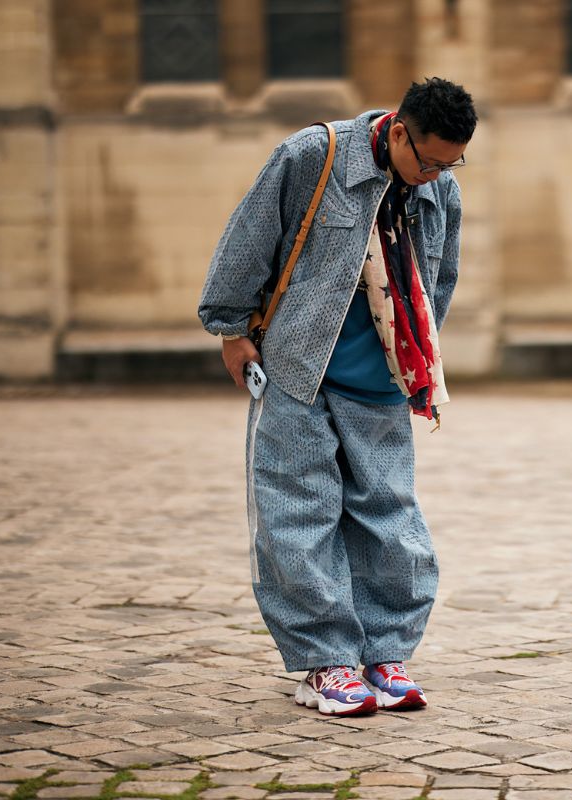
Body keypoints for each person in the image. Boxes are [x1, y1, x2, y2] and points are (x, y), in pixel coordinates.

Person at [198, 78, 478, 716]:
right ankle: (325, 662)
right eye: (429, 160)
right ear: (400, 131)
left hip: (382, 380)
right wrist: (230, 329)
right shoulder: (312, 156)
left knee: (392, 520)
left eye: (451, 164)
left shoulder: (442, 193)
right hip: (299, 370)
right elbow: (249, 240)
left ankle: (385, 652)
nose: (436, 175)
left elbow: (443, 276)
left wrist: (419, 357)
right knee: (300, 516)